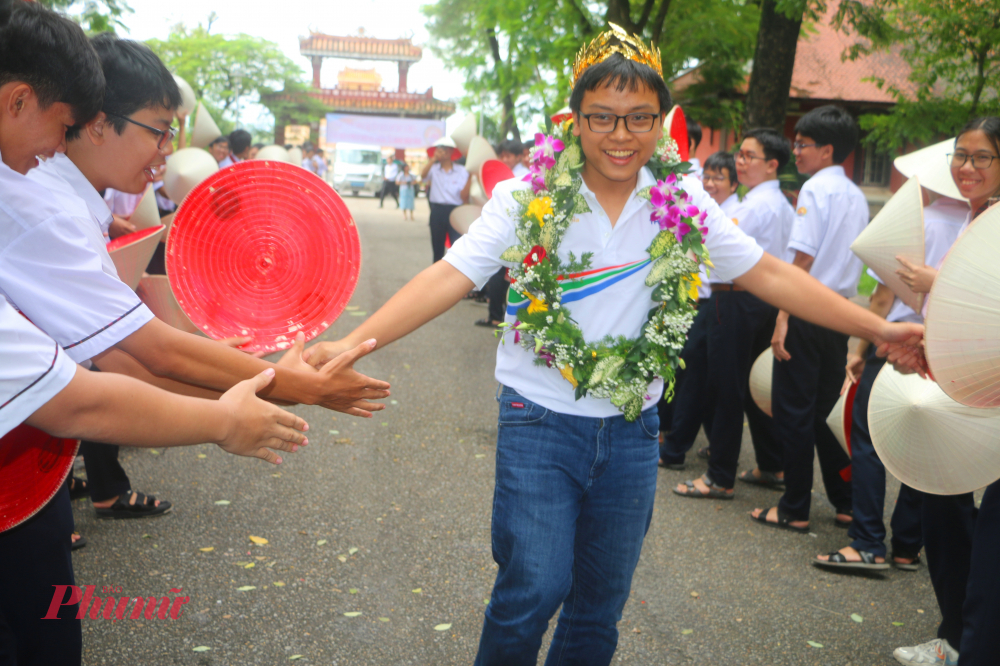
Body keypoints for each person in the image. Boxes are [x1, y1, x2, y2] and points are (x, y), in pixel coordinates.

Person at [301, 27, 924, 664]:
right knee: (532, 590)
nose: (620, 135)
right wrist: (353, 342)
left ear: (661, 123)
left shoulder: (681, 203)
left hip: (631, 431)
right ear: (575, 120)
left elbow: (768, 273)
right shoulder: (528, 198)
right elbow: (449, 274)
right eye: (602, 117)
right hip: (538, 420)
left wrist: (876, 328)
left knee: (600, 606)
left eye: (639, 119)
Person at [0, 5, 305, 664]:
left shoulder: (49, 191)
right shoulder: (33, 201)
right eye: (161, 131)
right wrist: (263, 397)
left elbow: (133, 351)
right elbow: (117, 371)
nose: (170, 153)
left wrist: (258, 381)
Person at [10, 33, 390, 521]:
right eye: (159, 130)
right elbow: (153, 354)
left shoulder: (66, 202)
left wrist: (271, 382)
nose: (168, 150)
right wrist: (296, 387)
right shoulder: (47, 209)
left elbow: (130, 364)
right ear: (99, 124)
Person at [889, 118, 1000, 666]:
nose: (967, 168)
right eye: (961, 156)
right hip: (953, 381)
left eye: (982, 158)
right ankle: (956, 633)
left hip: (988, 392)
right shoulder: (970, 218)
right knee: (941, 506)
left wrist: (940, 284)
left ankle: (969, 639)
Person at [750, 105, 869, 533]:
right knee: (823, 410)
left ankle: (795, 507)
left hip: (807, 309)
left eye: (803, 145)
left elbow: (801, 260)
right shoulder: (854, 194)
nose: (796, 152)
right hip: (838, 313)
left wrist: (783, 316)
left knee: (793, 411)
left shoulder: (816, 190)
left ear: (827, 150)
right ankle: (846, 502)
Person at [673, 128, 794, 499]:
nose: (740, 162)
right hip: (756, 301)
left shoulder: (756, 206)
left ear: (772, 165)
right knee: (750, 387)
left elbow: (715, 245)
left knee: (725, 386)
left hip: (737, 299)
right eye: (739, 154)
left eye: (749, 157)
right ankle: (772, 463)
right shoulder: (773, 203)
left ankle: (719, 475)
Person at [656, 150, 738, 466]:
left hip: (710, 302)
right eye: (708, 176)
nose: (712, 183)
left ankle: (676, 446)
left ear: (734, 184)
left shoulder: (732, 214)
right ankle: (675, 439)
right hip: (692, 300)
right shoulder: (697, 207)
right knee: (694, 375)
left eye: (720, 178)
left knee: (696, 378)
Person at [420, 136, 470, 262]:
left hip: (455, 210)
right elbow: (423, 176)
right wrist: (433, 159)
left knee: (456, 247)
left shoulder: (461, 170)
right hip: (437, 210)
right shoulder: (433, 169)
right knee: (437, 248)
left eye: (447, 149)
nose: (444, 151)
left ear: (453, 151)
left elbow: (464, 193)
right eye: (441, 149)